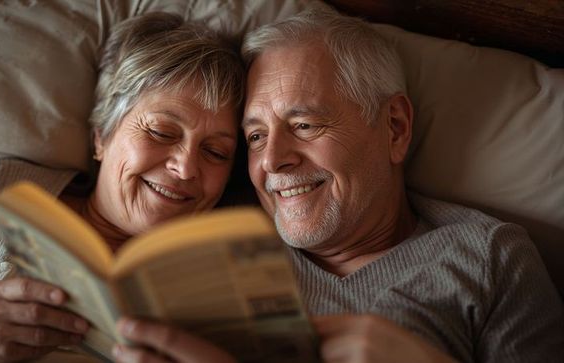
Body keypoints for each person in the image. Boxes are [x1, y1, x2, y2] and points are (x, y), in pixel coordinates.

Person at [112, 4, 564, 363]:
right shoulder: (215, 227)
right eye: (254, 137)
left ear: (395, 127)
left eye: (305, 125)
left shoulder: (488, 258)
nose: (271, 161)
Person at [0, 12, 244, 362]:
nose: (185, 168)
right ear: (102, 137)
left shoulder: (237, 282)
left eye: (215, 152)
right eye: (161, 132)